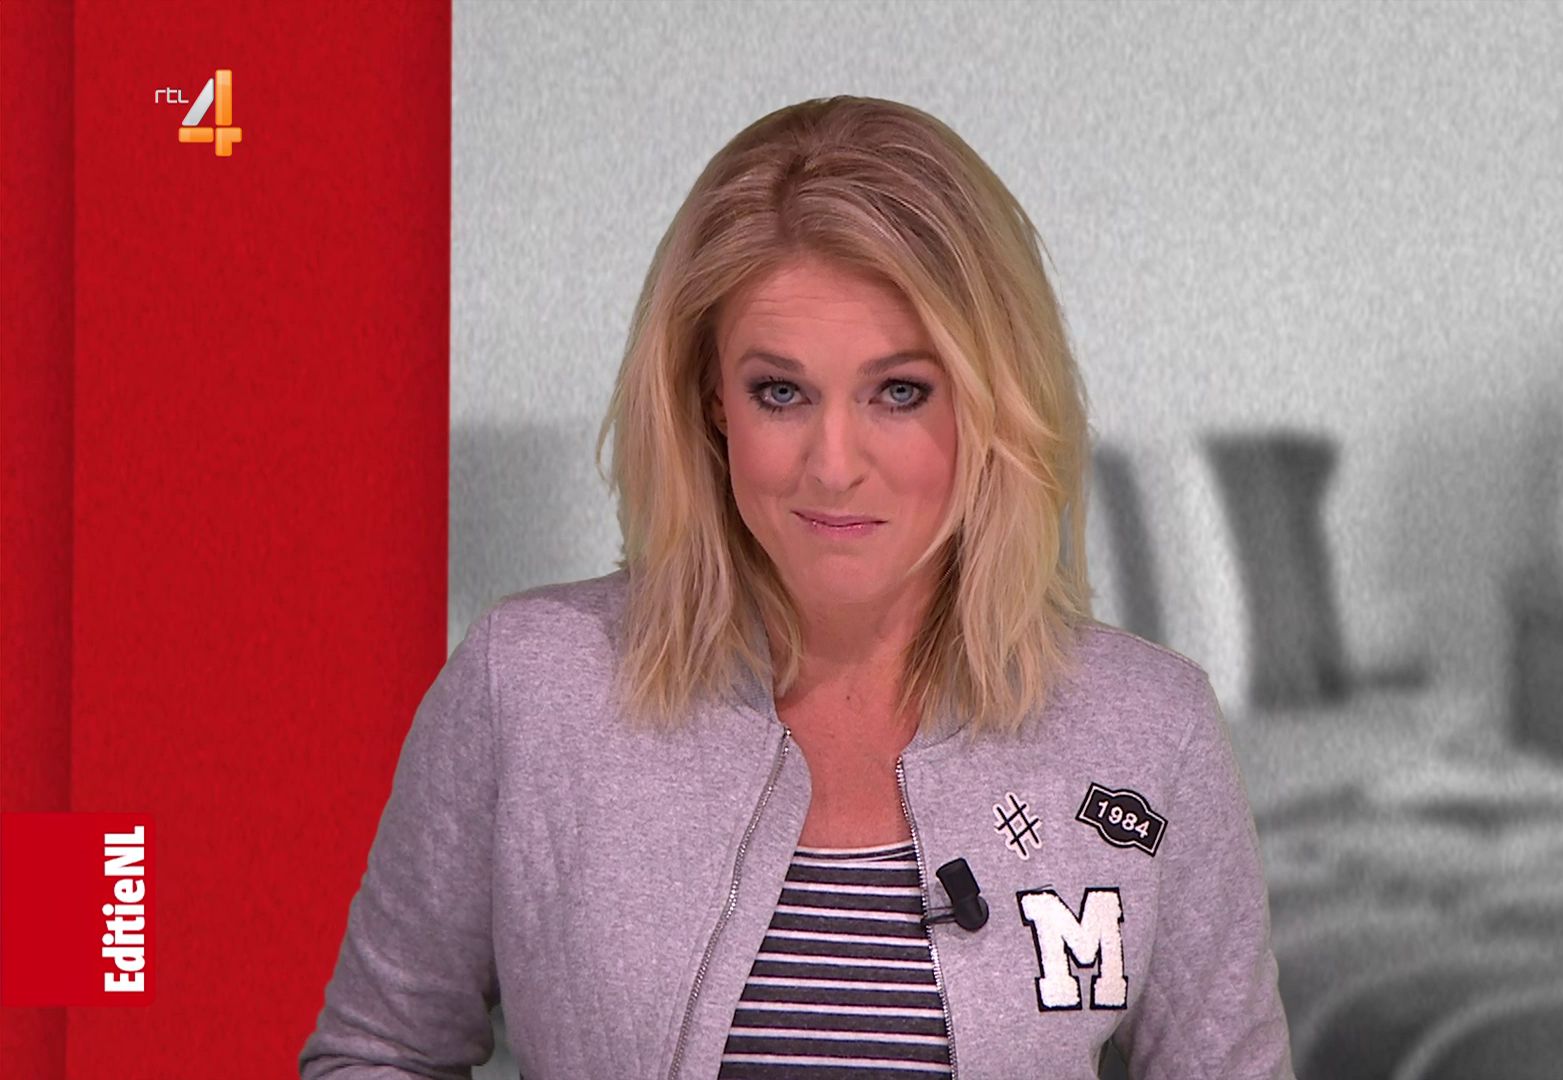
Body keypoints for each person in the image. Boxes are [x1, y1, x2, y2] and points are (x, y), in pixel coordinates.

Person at [300, 95, 1293, 1080]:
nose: (834, 464)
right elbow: (378, 1051)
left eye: (899, 392)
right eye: (781, 392)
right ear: (710, 402)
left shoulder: (1150, 730)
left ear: (992, 403)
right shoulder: (529, 686)